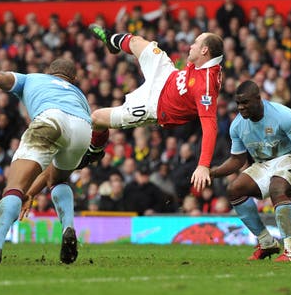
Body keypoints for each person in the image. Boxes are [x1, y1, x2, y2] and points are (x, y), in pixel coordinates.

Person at [0, 58, 91, 265]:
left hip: (50, 118)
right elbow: (48, 175)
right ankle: (68, 227)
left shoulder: (32, 78)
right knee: (58, 181)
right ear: (74, 79)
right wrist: (32, 193)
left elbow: (1, 77)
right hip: (82, 128)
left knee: (14, 188)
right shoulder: (79, 96)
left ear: (49, 72)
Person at [84, 23, 223, 191]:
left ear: (204, 51)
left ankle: (94, 150)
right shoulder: (201, 62)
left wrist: (203, 165)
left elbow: (210, 127)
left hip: (154, 106)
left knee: (97, 118)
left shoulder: (206, 86)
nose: (191, 45)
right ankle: (110, 40)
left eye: (196, 43)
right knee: (136, 41)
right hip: (166, 75)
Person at [208, 80, 291, 262]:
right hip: (265, 163)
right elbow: (237, 160)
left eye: (245, 102)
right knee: (235, 189)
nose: (241, 107)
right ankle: (266, 242)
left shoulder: (283, 115)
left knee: (277, 189)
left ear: (258, 99)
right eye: (238, 103)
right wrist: (212, 173)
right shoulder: (237, 126)